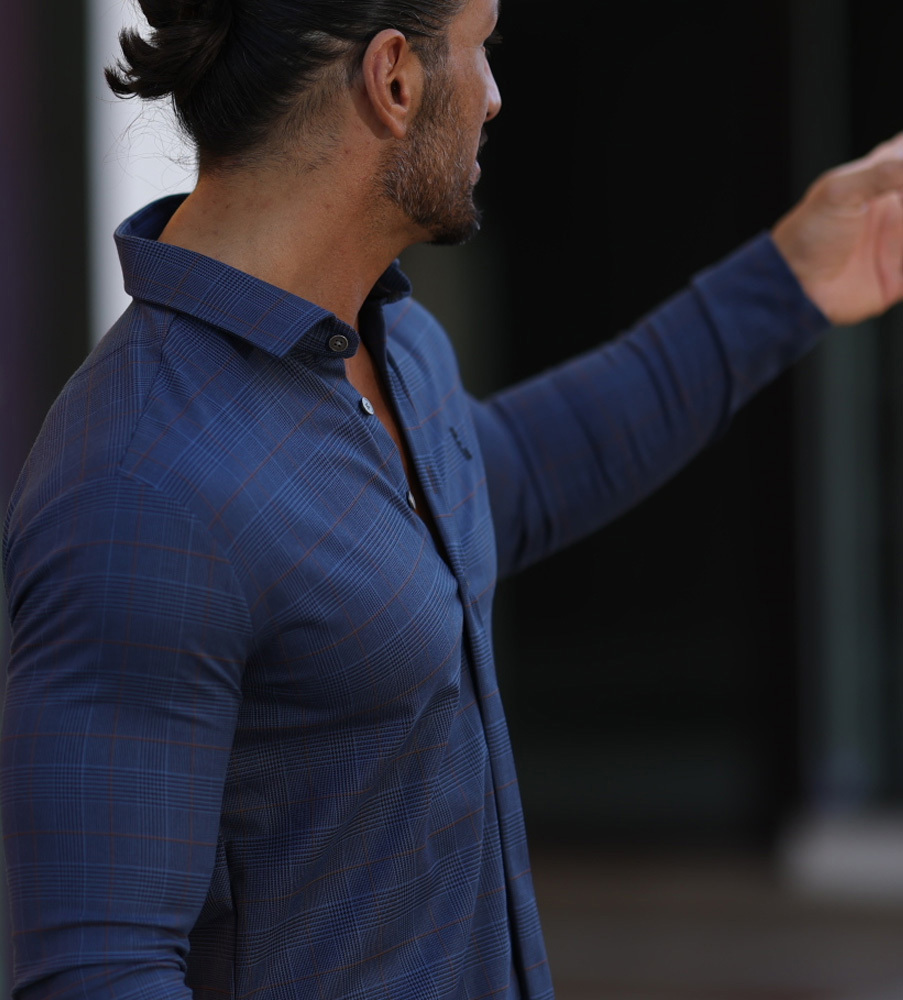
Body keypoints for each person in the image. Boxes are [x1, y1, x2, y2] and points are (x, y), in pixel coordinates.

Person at [3, 0, 903, 998]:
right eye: (481, 48)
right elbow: (98, 972)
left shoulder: (387, 338)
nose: (494, 95)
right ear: (394, 79)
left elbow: (511, 473)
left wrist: (792, 278)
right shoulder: (139, 488)